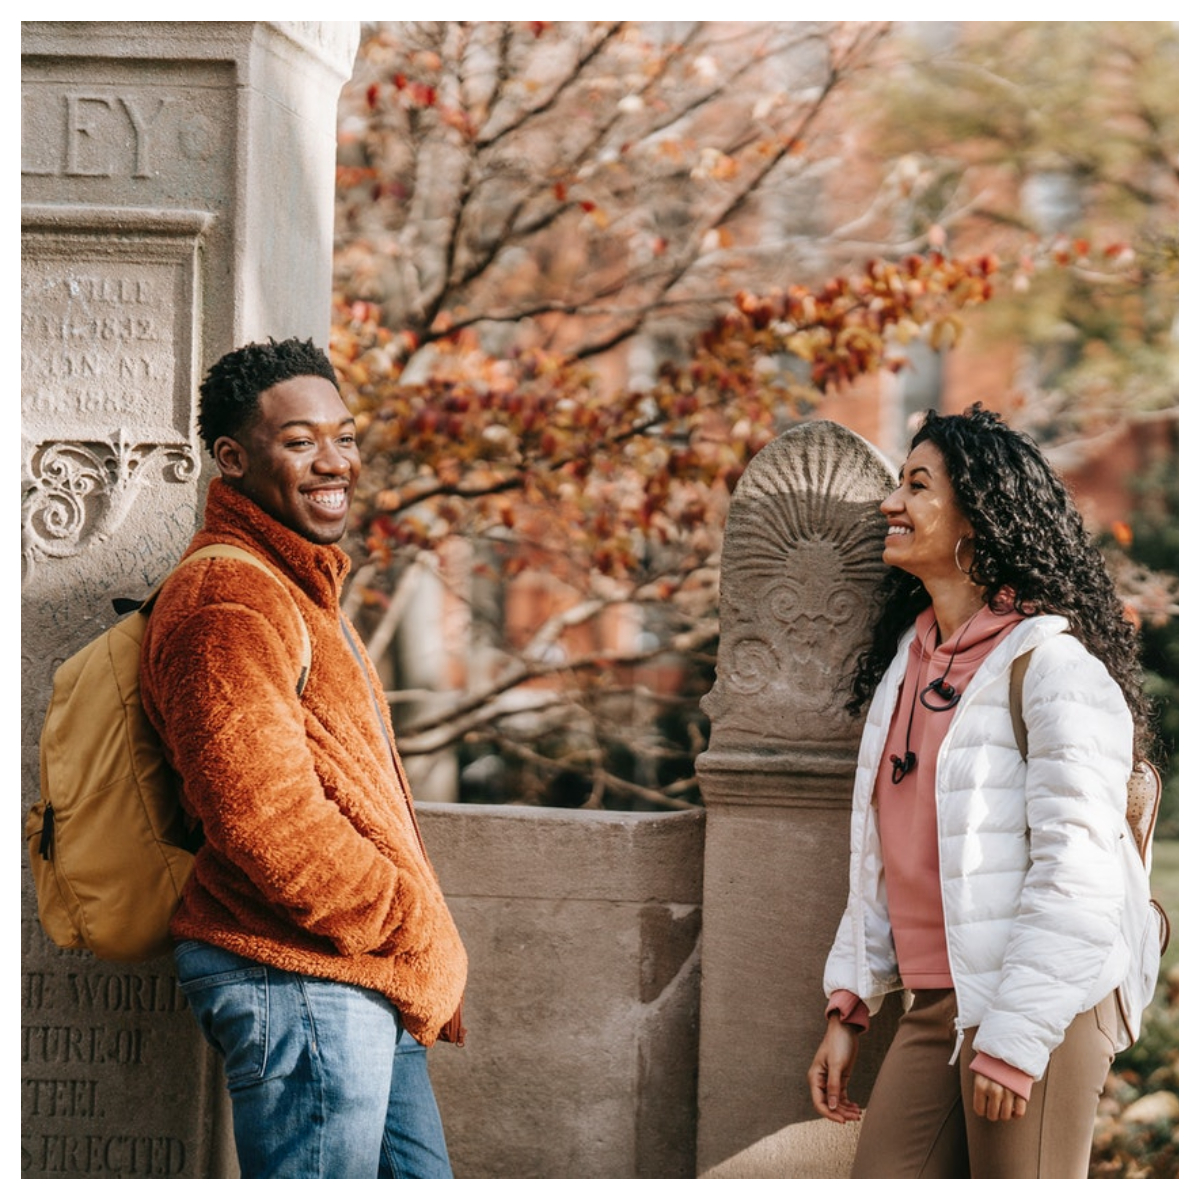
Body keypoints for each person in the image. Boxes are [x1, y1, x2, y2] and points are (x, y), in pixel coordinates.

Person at [141, 337, 468, 1179]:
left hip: (346, 974)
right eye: (300, 442)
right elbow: (263, 817)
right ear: (233, 458)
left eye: (346, 437)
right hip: (299, 977)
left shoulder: (291, 584)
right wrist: (399, 915)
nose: (335, 463)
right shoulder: (231, 600)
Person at [806, 404, 1150, 1178]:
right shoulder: (907, 666)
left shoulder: (1054, 671)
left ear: (979, 517)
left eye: (917, 486)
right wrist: (849, 1006)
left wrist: (1018, 1036)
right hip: (936, 1008)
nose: (890, 503)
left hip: (1042, 1005)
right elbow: (879, 861)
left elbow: (1079, 873)